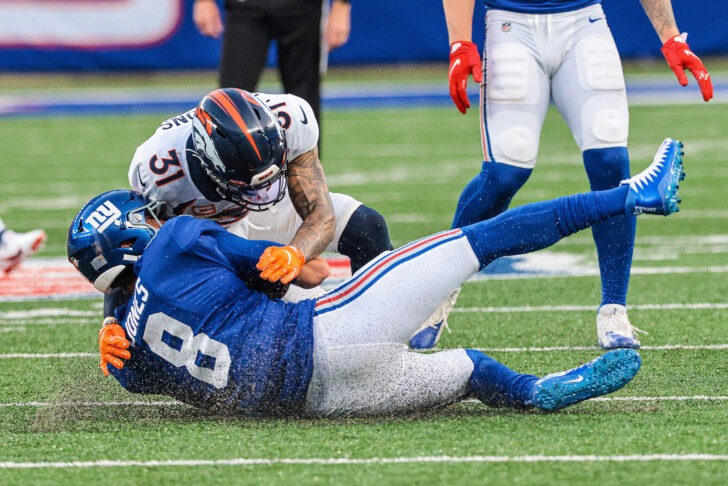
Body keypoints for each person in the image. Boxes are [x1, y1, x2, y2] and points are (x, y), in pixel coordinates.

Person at [68, 138, 684, 417]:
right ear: (132, 233)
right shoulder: (177, 236)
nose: (159, 216)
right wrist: (290, 267)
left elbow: (144, 377)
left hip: (319, 402)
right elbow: (300, 272)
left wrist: (118, 345)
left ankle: (535, 392)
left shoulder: (124, 350)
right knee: (483, 238)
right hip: (331, 332)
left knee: (468, 371)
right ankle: (636, 196)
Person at [436, 0, 712, 351]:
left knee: (611, 160)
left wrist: (672, 36)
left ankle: (614, 308)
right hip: (511, 25)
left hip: (584, 22)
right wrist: (460, 42)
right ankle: (439, 287)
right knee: (505, 172)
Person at [193, 0, 352, 139]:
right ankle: (229, 170)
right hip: (246, 7)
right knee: (231, 100)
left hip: (303, 7)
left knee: (304, 102)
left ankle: (305, 173)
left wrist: (341, 5)